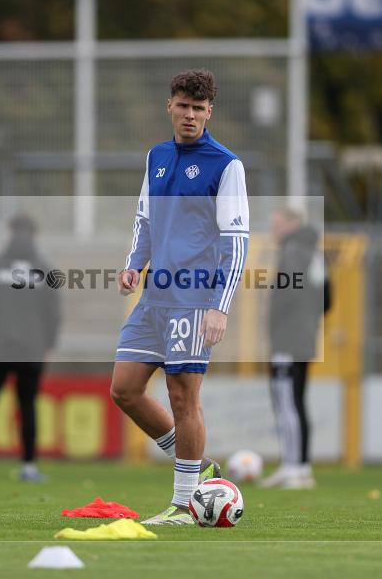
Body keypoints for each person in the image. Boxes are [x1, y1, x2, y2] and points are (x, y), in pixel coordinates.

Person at [110, 69, 250, 525]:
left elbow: (237, 241)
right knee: (125, 390)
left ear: (210, 112)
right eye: (183, 106)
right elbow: (145, 219)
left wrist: (219, 306)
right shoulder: (156, 157)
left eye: (198, 108)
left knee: (182, 396)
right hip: (154, 297)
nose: (190, 115)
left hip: (195, 298)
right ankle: (198, 469)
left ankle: (186, 502)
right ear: (169, 106)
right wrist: (134, 264)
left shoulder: (226, 165)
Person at [0, 214, 61, 481]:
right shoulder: (44, 269)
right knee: (27, 405)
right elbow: (52, 312)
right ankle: (28, 465)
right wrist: (49, 344)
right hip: (31, 347)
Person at [262, 207, 331, 489]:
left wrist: (276, 325)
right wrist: (309, 319)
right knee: (298, 402)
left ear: (292, 224)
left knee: (287, 402)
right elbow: (328, 299)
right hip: (305, 337)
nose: (273, 230)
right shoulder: (316, 253)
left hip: (287, 339)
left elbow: (284, 295)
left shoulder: (292, 252)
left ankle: (292, 467)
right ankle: (300, 466)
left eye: (276, 224)